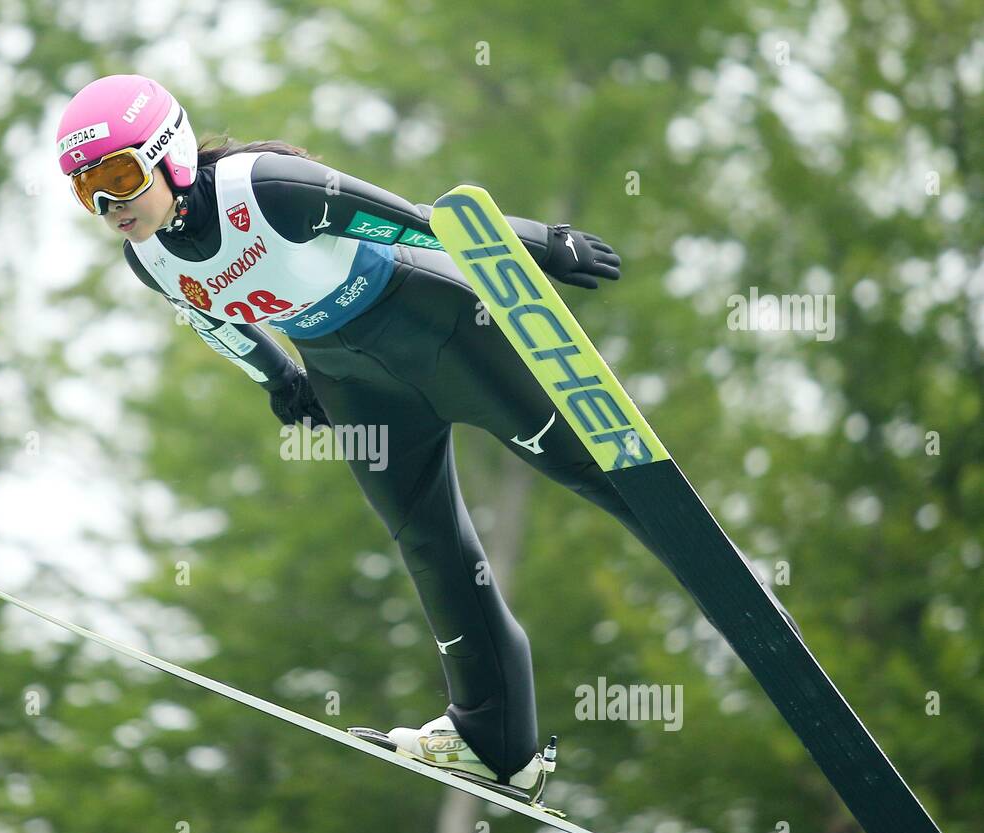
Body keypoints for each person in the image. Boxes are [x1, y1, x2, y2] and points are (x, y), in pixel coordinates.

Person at [55, 74, 799, 795]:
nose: (110, 203)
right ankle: (495, 741)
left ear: (172, 154)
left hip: (437, 325)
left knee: (590, 468)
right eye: (88, 190)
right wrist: (281, 383)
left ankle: (741, 596)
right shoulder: (146, 258)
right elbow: (216, 321)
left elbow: (416, 219)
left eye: (119, 174)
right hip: (351, 379)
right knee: (429, 542)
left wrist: (537, 243)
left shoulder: (265, 187)